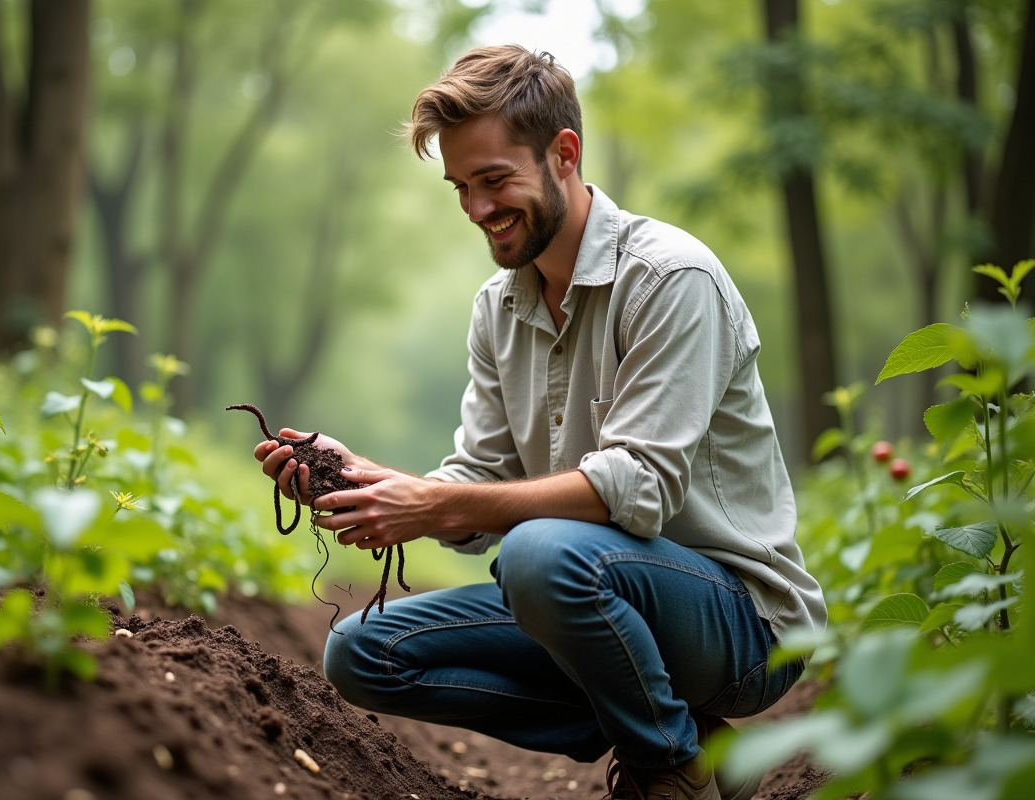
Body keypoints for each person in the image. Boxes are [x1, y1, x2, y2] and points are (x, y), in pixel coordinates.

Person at [253, 44, 826, 800]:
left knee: (538, 554)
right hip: (584, 590)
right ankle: (683, 736)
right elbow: (477, 485)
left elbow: (640, 488)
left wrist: (436, 505)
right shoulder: (498, 309)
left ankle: (668, 767)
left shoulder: (670, 279)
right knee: (362, 653)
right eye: (461, 187)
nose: (477, 209)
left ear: (564, 154)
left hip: (740, 627)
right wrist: (371, 483)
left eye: (494, 180)